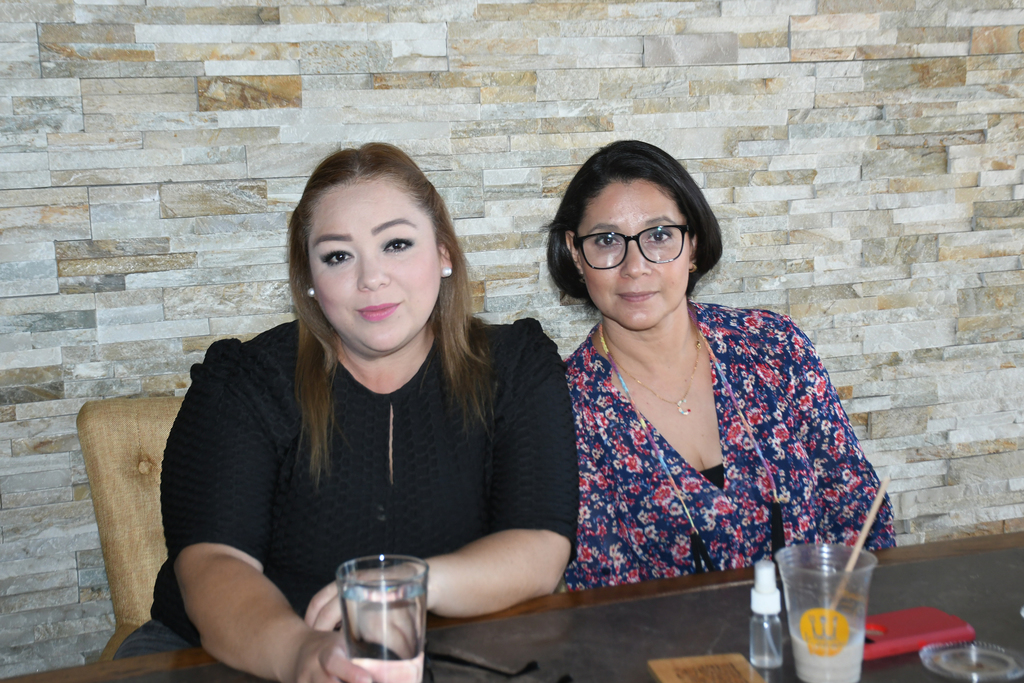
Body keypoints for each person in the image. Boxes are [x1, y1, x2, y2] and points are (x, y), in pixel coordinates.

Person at [116, 143, 579, 683]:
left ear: (444, 253)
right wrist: (303, 654)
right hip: (236, 657)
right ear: (309, 279)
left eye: (396, 244)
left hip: (448, 650)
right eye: (338, 256)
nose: (371, 278)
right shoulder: (245, 381)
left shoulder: (516, 366)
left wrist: (403, 587)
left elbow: (539, 546)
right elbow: (213, 566)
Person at [545, 140, 894, 591]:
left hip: (817, 626)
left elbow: (857, 509)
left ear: (693, 245)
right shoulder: (565, 407)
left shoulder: (773, 346)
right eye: (607, 240)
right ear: (576, 254)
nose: (635, 267)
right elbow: (602, 590)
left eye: (659, 235)